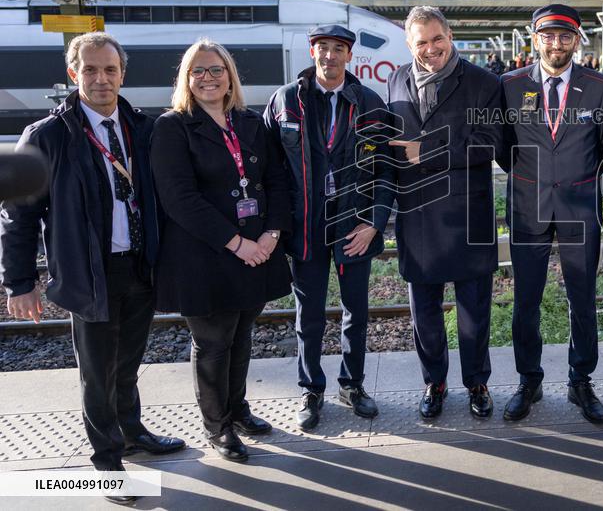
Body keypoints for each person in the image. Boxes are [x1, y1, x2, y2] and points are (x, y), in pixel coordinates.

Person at [1, 32, 183, 505]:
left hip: (139, 268)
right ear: (72, 74)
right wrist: (21, 281)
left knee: (128, 363)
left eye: (110, 70)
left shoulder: (142, 128)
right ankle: (107, 465)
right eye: (90, 70)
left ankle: (132, 431)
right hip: (89, 273)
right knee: (97, 374)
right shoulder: (48, 136)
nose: (101, 79)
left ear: (123, 74)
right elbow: (17, 213)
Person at [151, 39, 291, 462]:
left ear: (230, 76)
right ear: (186, 79)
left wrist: (271, 234)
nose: (208, 78)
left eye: (216, 70)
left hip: (255, 252)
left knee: (242, 335)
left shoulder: (250, 123)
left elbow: (279, 180)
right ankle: (218, 426)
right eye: (198, 71)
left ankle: (238, 408)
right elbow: (179, 199)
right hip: (205, 257)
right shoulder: (172, 127)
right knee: (213, 343)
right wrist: (238, 243)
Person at [263, 25, 394, 430]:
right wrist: (277, 226)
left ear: (349, 56)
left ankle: (352, 385)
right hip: (305, 226)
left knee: (356, 309)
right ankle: (311, 389)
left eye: (339, 49)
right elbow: (270, 170)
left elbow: (386, 170)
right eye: (323, 48)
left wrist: (374, 223)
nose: (330, 56)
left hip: (353, 224)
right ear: (312, 51)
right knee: (310, 313)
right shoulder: (286, 100)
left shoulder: (370, 104)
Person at [498, 4, 603, 423]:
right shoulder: (509, 85)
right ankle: (529, 379)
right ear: (534, 38)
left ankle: (580, 380)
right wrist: (531, 178)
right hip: (528, 208)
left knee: (582, 299)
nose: (556, 43)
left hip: (580, 209)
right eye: (548, 35)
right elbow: (501, 145)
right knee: (525, 301)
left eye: (565, 36)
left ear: (577, 40)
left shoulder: (600, 86)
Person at [387, 6, 502, 420]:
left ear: (449, 35)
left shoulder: (483, 82)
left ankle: (477, 382)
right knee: (425, 313)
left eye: (437, 39)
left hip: (466, 215)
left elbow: (492, 143)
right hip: (417, 215)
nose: (430, 49)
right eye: (421, 42)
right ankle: (434, 382)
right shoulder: (396, 79)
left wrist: (429, 152)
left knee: (474, 312)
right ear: (409, 44)